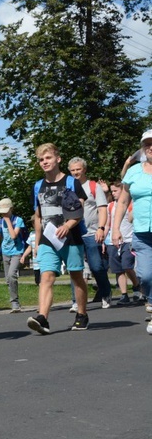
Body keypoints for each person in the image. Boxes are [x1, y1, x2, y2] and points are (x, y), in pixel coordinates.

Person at [26, 143, 89, 335]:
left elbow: (79, 209)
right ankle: (42, 318)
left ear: (58, 159)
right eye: (41, 160)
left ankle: (82, 314)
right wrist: (37, 242)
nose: (44, 162)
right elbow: (38, 216)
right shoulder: (38, 186)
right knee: (46, 276)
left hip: (71, 237)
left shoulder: (71, 182)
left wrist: (67, 226)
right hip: (48, 239)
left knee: (76, 276)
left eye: (48, 158)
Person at [113, 130, 152, 328]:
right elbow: (122, 202)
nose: (151, 146)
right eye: (147, 143)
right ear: (143, 148)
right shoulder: (134, 172)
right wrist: (115, 229)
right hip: (143, 233)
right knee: (145, 276)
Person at [68, 157, 112, 308]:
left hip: (91, 233)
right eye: (72, 170)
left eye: (78, 169)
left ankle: (105, 292)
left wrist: (101, 228)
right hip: (73, 233)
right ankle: (76, 301)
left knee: (96, 266)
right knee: (75, 267)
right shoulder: (68, 187)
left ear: (84, 169)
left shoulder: (93, 186)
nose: (75, 173)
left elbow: (102, 208)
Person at [106, 181, 140, 306]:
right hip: (113, 241)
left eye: (115, 191)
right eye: (112, 191)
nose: (113, 193)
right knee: (118, 269)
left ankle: (137, 286)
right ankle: (124, 294)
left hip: (128, 239)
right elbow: (107, 224)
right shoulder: (110, 206)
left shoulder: (131, 205)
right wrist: (104, 239)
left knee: (127, 265)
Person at [0, 198, 26, 313]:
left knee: (11, 275)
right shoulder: (0, 223)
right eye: (2, 212)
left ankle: (15, 303)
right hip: (5, 252)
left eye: (6, 211)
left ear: (11, 209)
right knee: (8, 279)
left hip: (17, 251)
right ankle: (15, 301)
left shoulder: (18, 220)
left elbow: (13, 236)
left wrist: (8, 221)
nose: (4, 214)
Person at [20, 216, 41, 286]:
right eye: (33, 223)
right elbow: (29, 247)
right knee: (37, 281)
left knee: (45, 281)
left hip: (43, 262)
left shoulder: (44, 233)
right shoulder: (32, 234)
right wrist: (23, 256)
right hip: (36, 263)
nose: (34, 225)